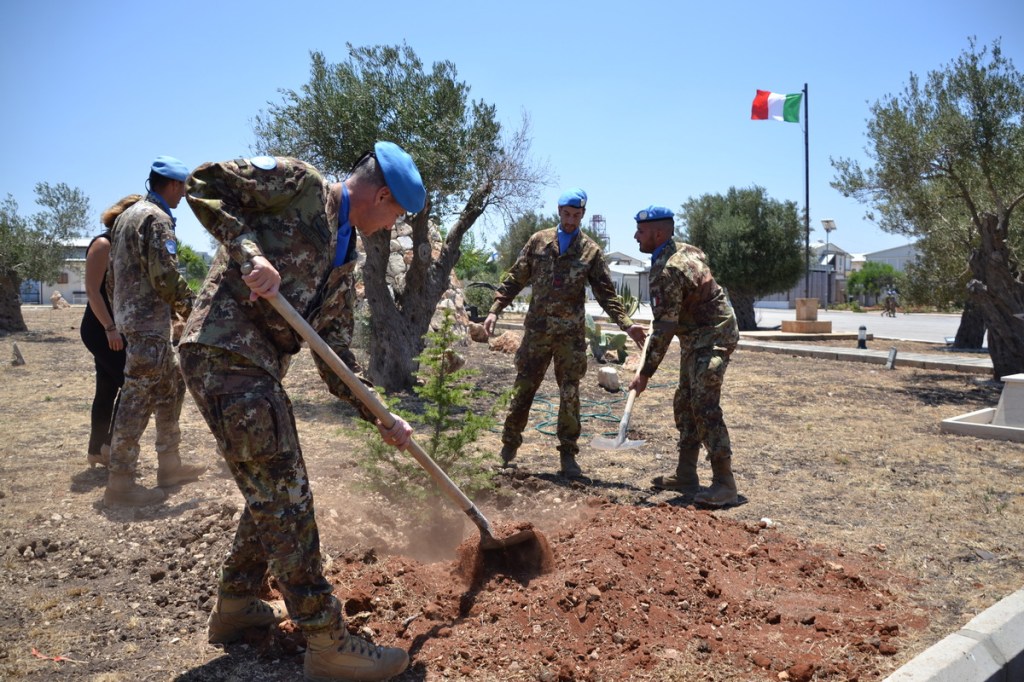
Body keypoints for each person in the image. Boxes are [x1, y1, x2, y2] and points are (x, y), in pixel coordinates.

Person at [178, 142, 423, 682]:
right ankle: (326, 641)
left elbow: (333, 356)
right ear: (381, 195)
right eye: (395, 216)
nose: (390, 227)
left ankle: (239, 601)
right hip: (224, 351)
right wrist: (249, 254)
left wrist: (381, 414)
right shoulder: (300, 185)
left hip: (256, 367)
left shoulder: (345, 255)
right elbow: (201, 181)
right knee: (286, 494)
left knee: (272, 487)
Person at [483, 189, 646, 477]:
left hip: (570, 337)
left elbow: (606, 293)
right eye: (567, 214)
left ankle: (568, 456)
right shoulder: (539, 241)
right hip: (537, 333)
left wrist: (626, 324)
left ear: (583, 214)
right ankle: (508, 448)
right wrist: (496, 308)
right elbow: (516, 277)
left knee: (570, 393)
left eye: (576, 215)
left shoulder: (590, 251)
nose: (571, 220)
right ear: (559, 211)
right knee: (523, 389)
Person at [104, 157, 205, 507]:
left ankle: (170, 465)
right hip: (148, 325)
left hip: (137, 321)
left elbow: (111, 277)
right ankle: (120, 483)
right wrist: (194, 312)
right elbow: (165, 276)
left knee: (172, 386)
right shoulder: (156, 218)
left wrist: (120, 315)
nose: (183, 196)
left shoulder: (126, 218)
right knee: (136, 401)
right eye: (183, 189)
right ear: (174, 185)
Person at [627, 206, 740, 507]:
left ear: (659, 234)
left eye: (641, 231)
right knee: (684, 400)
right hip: (695, 337)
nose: (635, 235)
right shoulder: (683, 251)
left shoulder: (669, 270)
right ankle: (686, 474)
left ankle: (725, 484)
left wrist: (645, 374)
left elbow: (664, 329)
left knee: (704, 404)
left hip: (714, 335)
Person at [80, 194, 140, 467]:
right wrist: (111, 328)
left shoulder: (126, 246)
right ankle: (109, 446)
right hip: (100, 327)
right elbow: (93, 291)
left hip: (115, 328)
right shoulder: (103, 244)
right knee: (130, 384)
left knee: (106, 387)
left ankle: (96, 450)